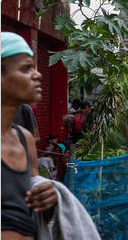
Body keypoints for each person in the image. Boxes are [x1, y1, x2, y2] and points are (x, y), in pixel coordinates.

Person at [1, 31, 58, 240]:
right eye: (26, 68)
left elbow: (35, 211)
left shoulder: (24, 140)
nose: (38, 75)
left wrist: (49, 198)